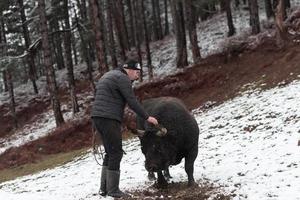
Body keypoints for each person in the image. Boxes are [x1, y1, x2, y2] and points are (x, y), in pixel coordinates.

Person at [91, 59, 158, 198]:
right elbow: (132, 101)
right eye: (136, 71)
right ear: (128, 69)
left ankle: (104, 189)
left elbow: (107, 98)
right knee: (116, 153)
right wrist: (147, 117)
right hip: (108, 118)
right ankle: (113, 190)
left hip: (98, 117)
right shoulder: (122, 78)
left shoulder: (109, 75)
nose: (137, 75)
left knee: (110, 152)